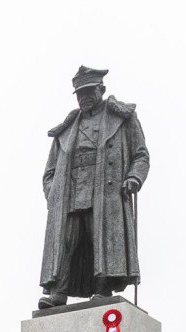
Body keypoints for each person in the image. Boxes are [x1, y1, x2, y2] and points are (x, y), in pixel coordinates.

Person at [38, 66, 150, 309]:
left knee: (100, 238)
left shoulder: (122, 118)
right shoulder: (66, 129)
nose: (84, 97)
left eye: (89, 91)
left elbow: (141, 155)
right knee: (67, 242)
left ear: (102, 89)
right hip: (70, 193)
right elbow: (49, 171)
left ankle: (102, 287)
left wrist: (134, 177)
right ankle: (58, 291)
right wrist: (53, 193)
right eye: (80, 94)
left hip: (105, 191)